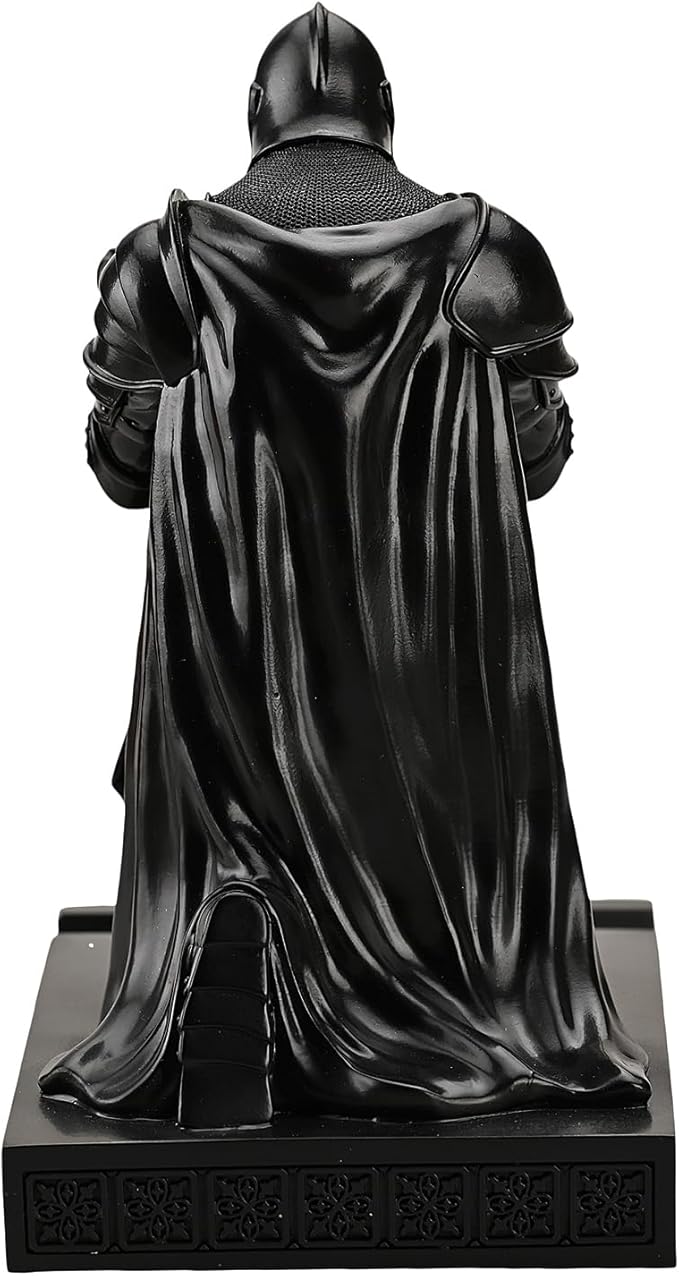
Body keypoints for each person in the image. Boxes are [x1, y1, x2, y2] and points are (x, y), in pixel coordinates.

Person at [40, 5, 650, 1127]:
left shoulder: (164, 262)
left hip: (237, 709)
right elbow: (538, 464)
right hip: (426, 706)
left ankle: (237, 921)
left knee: (222, 773)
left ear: (254, 115)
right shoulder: (486, 253)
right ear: (386, 115)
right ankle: (464, 985)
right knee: (459, 817)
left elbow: (120, 473)